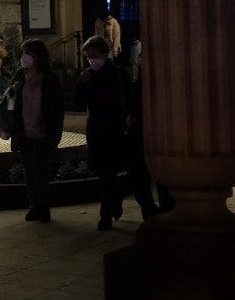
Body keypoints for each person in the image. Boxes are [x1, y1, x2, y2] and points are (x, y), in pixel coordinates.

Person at [73, 35, 127, 231]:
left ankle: (106, 214)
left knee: (107, 174)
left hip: (112, 129)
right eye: (88, 57)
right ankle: (115, 200)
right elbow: (79, 103)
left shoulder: (115, 73)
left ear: (104, 54)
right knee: (103, 173)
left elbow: (118, 100)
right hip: (95, 129)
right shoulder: (89, 75)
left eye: (94, 56)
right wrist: (82, 83)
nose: (91, 60)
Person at [8, 39, 64, 221]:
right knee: (29, 172)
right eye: (23, 53)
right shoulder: (20, 75)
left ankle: (43, 207)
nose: (24, 57)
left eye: (28, 53)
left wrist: (54, 135)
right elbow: (8, 102)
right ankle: (34, 206)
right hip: (24, 132)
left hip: (42, 132)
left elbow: (56, 108)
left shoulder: (49, 78)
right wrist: (13, 91)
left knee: (40, 172)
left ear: (38, 56)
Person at [123, 60, 171, 219]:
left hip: (156, 135)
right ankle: (153, 214)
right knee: (138, 180)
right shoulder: (138, 82)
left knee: (161, 180)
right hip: (139, 136)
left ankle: (163, 214)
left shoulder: (161, 84)